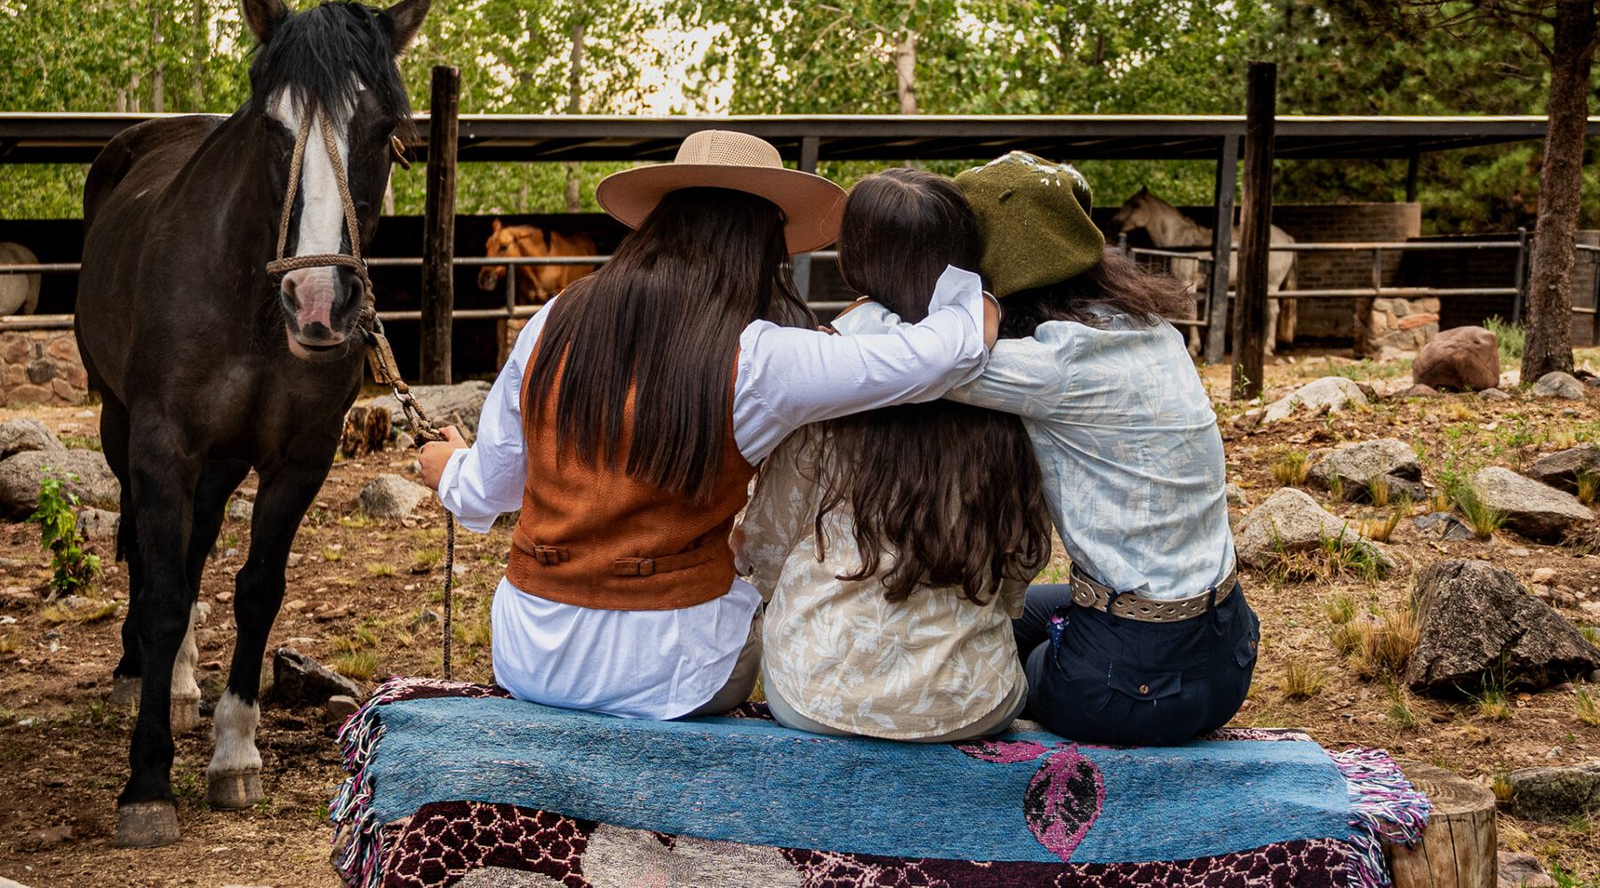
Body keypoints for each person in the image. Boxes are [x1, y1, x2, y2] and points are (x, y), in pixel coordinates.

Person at [418, 130, 996, 721]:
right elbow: (944, 353)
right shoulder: (762, 358)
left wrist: (449, 467)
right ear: (762, 243)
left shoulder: (551, 321)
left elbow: (488, 491)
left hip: (530, 657)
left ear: (661, 221)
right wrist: (979, 296)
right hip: (678, 675)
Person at [851, 151, 1257, 746]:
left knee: (985, 656)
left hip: (1132, 685)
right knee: (1009, 616)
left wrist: (874, 305)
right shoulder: (1151, 330)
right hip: (1228, 649)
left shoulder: (1056, 364)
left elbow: (911, 358)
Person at [736, 169, 1053, 742]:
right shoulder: (1009, 383)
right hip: (971, 703)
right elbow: (1022, 556)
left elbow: (766, 544)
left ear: (853, 254)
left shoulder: (820, 375)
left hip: (817, 693)